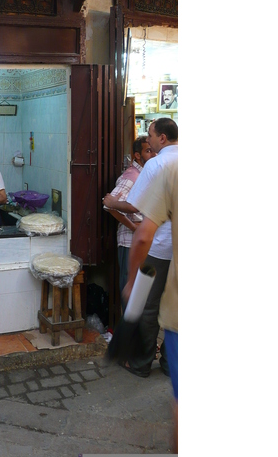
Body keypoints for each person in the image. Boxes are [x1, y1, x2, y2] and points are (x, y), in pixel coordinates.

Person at [123, 117, 178, 451]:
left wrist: (132, 278)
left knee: (146, 306)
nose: (148, 142)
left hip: (158, 248)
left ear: (160, 137)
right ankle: (172, 365)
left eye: (149, 137)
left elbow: (141, 220)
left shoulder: (158, 164)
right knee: (177, 311)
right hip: (181, 252)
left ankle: (143, 362)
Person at [102, 136, 155, 309]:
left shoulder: (145, 174)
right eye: (148, 151)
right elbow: (109, 206)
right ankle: (128, 333)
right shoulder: (132, 176)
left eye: (153, 150)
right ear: (137, 155)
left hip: (140, 241)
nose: (153, 154)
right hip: (129, 242)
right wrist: (133, 226)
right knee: (131, 290)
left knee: (139, 290)